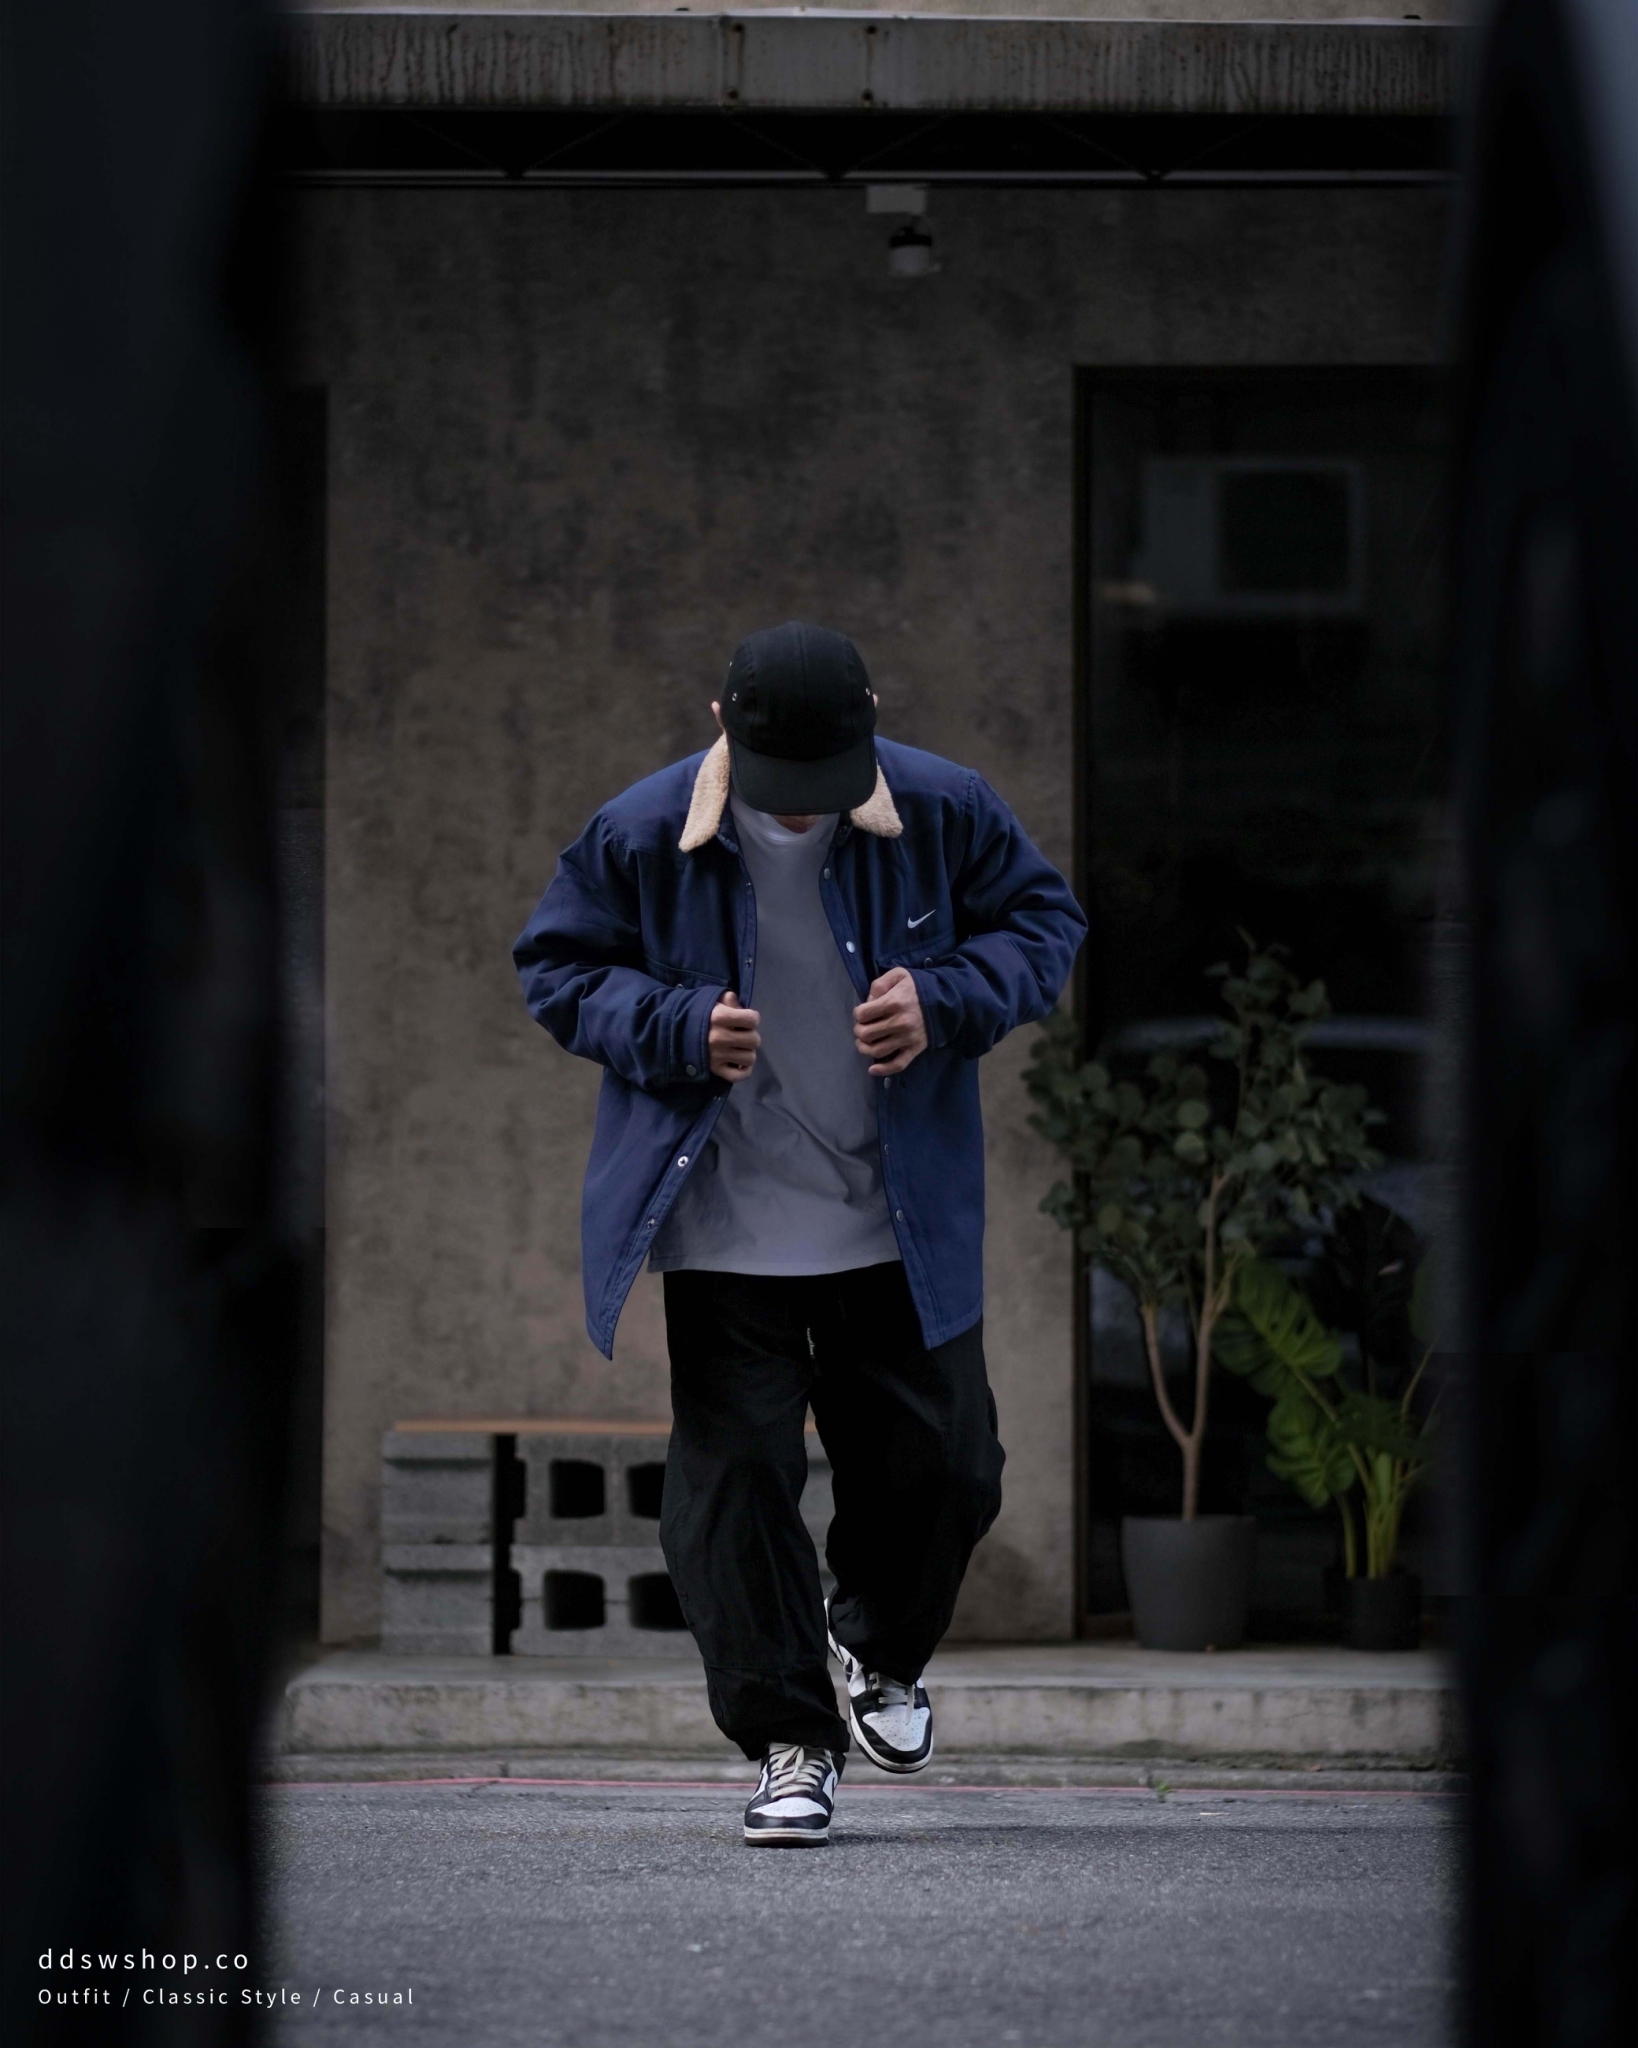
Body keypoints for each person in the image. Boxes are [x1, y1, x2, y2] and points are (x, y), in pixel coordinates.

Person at [514, 622, 1085, 1845]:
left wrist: (944, 997)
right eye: (779, 783)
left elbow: (1046, 928)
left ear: (872, 718)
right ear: (720, 722)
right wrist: (676, 1025)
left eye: (825, 780)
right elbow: (555, 968)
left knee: (954, 1465)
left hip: (895, 1213)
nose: (798, 809)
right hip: (725, 1217)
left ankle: (876, 1645)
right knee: (734, 1488)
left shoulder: (944, 806)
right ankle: (790, 1742)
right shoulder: (641, 829)